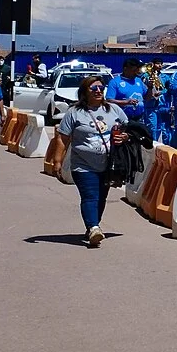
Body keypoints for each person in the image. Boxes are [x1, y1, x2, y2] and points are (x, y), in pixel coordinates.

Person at [55, 74, 128, 247]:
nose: (98, 91)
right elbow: (62, 138)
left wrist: (125, 136)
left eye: (101, 88)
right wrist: (57, 161)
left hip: (109, 164)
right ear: (84, 92)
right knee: (90, 196)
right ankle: (94, 227)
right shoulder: (74, 112)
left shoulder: (114, 109)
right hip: (83, 164)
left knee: (101, 198)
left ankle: (92, 226)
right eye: (93, 88)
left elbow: (129, 128)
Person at [106, 58, 147, 126]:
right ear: (125, 69)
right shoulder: (115, 82)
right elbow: (109, 101)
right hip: (123, 119)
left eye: (137, 70)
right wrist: (126, 102)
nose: (136, 73)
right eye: (133, 70)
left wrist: (150, 88)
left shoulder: (139, 81)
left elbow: (147, 97)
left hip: (139, 118)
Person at [144, 60, 167, 143]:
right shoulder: (146, 76)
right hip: (150, 104)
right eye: (158, 63)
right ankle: (152, 143)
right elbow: (144, 88)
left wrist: (161, 92)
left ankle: (156, 142)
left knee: (159, 127)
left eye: (161, 63)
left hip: (161, 104)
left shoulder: (164, 76)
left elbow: (168, 88)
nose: (160, 65)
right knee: (152, 126)